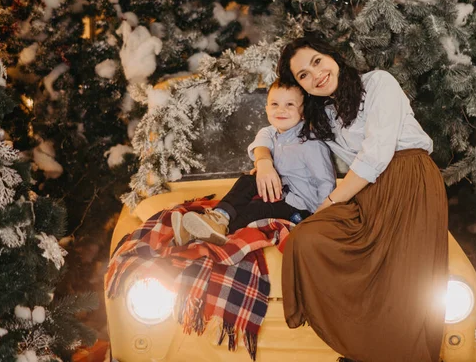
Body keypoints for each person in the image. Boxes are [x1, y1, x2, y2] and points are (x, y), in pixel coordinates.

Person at [251, 36, 449, 362]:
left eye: (316, 61)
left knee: (403, 283)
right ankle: (362, 347)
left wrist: (331, 201)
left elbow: (376, 155)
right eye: (303, 75)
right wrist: (263, 160)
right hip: (364, 192)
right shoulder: (320, 115)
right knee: (308, 238)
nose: (315, 75)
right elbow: (272, 131)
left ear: (332, 55)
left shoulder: (379, 84)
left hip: (409, 179)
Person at [172, 79, 336, 246]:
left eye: (290, 105)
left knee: (256, 209)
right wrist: (263, 163)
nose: (281, 110)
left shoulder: (311, 144)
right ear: (266, 109)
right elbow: (263, 136)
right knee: (249, 180)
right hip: (282, 194)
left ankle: (206, 233)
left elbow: (326, 182)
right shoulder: (274, 134)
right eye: (274, 104)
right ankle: (218, 217)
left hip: (301, 208)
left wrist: (320, 218)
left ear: (303, 112)